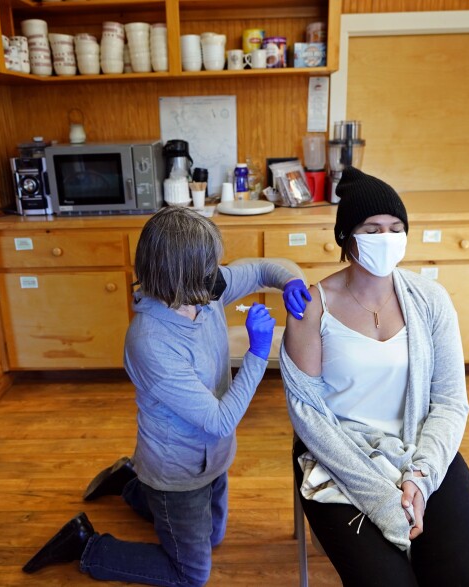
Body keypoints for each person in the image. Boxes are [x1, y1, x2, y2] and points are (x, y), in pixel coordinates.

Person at [23, 206, 311, 585]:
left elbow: (262, 269)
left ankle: (130, 482)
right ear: (180, 274)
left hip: (213, 459)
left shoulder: (201, 291)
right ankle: (86, 545)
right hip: (177, 472)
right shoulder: (151, 342)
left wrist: (290, 280)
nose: (218, 273)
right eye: (209, 266)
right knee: (192, 574)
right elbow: (220, 420)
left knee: (214, 537)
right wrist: (258, 352)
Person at [281, 167, 469, 586]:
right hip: (340, 459)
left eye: (396, 228)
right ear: (347, 237)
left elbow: (451, 402)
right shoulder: (312, 308)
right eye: (372, 229)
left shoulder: (430, 300)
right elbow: (309, 419)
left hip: (420, 445)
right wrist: (382, 500)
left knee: (468, 579)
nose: (387, 238)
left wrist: (419, 476)